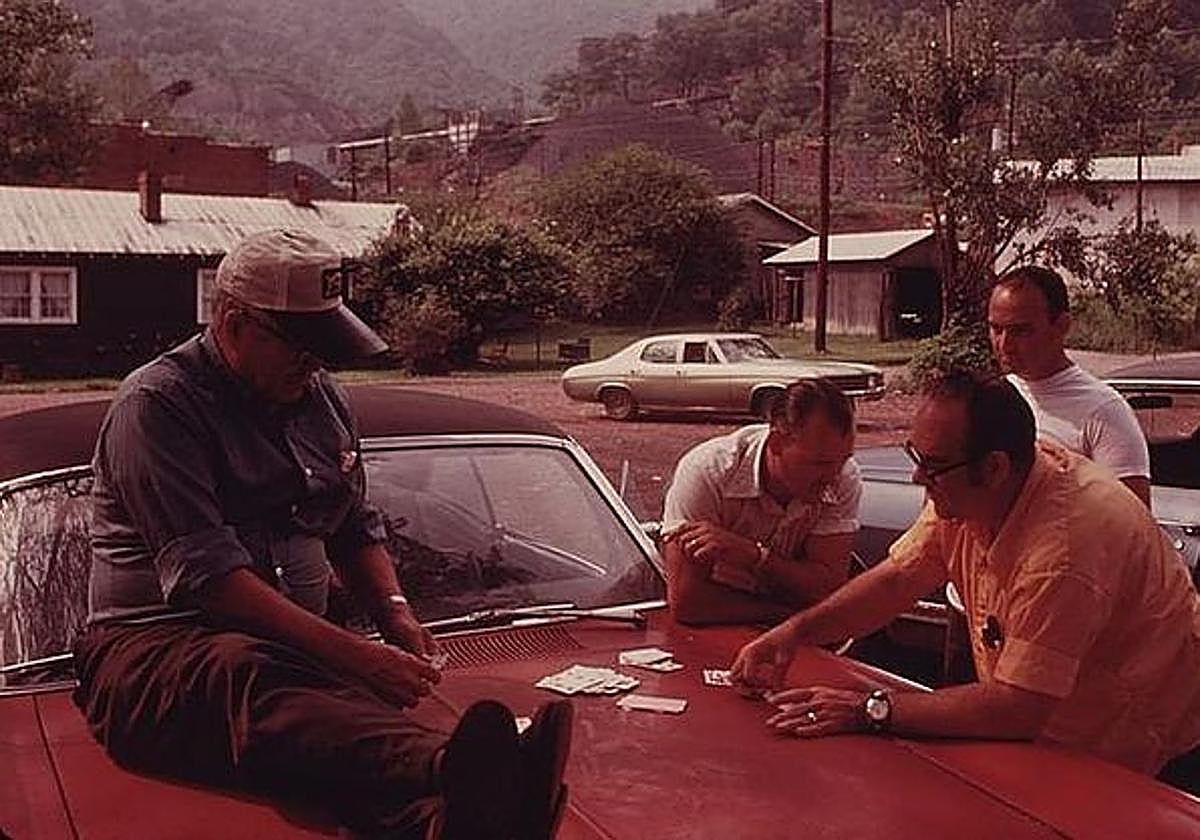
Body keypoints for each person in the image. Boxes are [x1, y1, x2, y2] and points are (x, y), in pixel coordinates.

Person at [73, 228, 572, 840]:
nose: (315, 362)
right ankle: (454, 770)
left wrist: (394, 616)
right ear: (232, 323)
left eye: (324, 345)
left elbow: (352, 526)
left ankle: (449, 822)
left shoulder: (320, 399)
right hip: (153, 654)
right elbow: (210, 582)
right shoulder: (158, 405)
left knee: (330, 733)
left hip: (292, 657)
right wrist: (351, 653)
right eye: (299, 344)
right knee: (244, 668)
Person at [730, 372, 1200, 790]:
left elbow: (1017, 708)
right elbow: (897, 581)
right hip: (1053, 725)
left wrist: (868, 709)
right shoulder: (970, 488)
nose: (918, 477)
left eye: (931, 465)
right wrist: (795, 633)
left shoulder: (1063, 550)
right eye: (915, 455)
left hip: (1140, 749)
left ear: (994, 467)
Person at [661, 378, 861, 625]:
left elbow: (827, 589)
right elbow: (688, 604)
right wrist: (797, 615)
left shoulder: (844, 476)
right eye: (819, 463)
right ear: (777, 443)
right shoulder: (708, 471)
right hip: (715, 631)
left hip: (790, 628)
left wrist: (753, 556)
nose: (832, 477)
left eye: (843, 459)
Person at [988, 264, 1151, 507]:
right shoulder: (991, 400)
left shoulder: (1104, 411)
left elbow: (1131, 526)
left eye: (1020, 331)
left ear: (1061, 326)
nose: (1004, 344)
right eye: (996, 329)